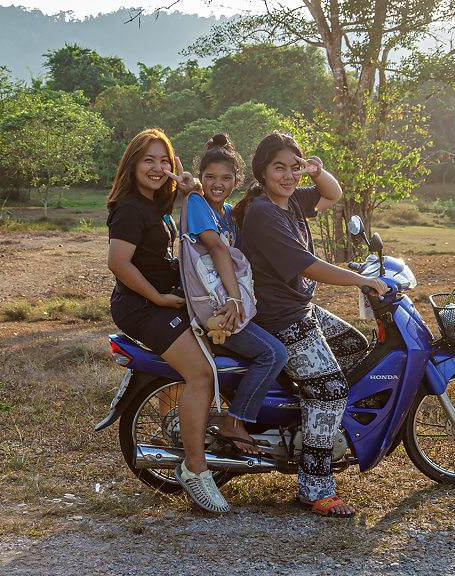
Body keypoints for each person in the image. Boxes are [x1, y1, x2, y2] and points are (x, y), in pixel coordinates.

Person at [234, 131, 389, 518]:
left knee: (353, 346)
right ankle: (314, 485)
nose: (288, 175)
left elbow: (333, 193)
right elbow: (308, 266)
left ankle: (315, 422)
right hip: (278, 316)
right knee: (332, 390)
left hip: (299, 308)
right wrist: (362, 280)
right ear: (262, 172)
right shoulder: (265, 213)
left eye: (294, 167)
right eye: (278, 168)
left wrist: (316, 172)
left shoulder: (291, 200)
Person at [105, 128, 229, 514]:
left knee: (208, 360)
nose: (157, 168)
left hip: (164, 302)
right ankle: (195, 468)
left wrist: (188, 186)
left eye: (164, 161)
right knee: (201, 375)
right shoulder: (129, 207)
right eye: (148, 160)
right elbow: (118, 263)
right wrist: (158, 296)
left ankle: (176, 436)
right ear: (133, 164)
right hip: (142, 307)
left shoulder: (154, 203)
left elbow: (193, 203)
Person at [184, 133, 287, 455]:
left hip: (227, 300)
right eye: (210, 177)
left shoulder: (228, 212)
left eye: (226, 178)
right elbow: (216, 249)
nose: (218, 183)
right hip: (215, 306)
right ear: (200, 179)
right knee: (273, 353)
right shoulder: (197, 203)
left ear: (236, 180)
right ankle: (235, 421)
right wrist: (235, 299)